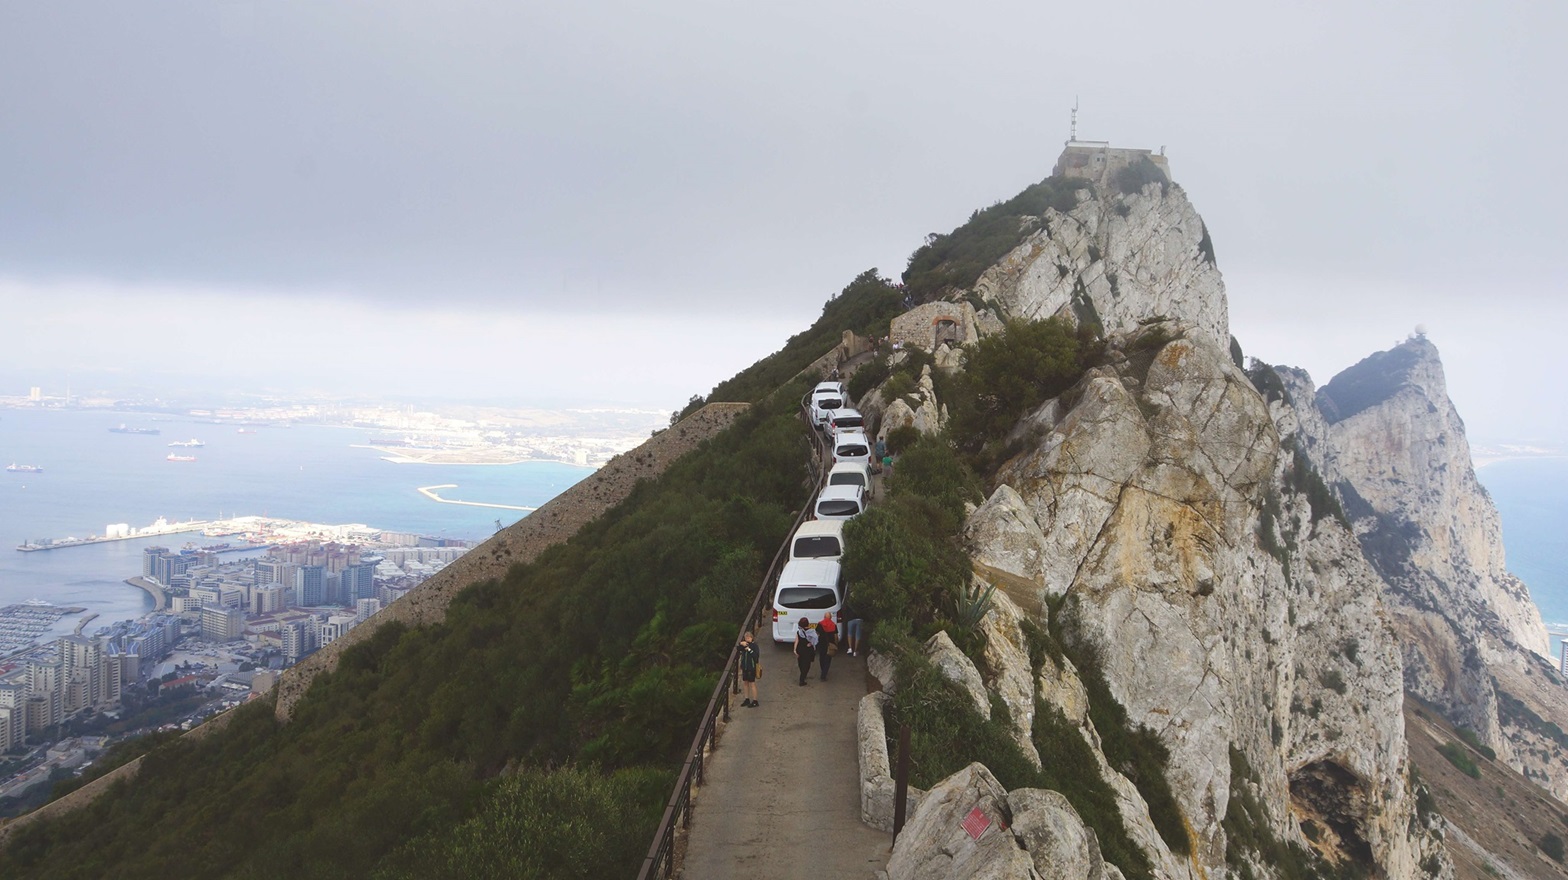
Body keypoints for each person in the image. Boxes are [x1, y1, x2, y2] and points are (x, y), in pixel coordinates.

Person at [738, 630, 761, 708]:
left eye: (748, 637)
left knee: (752, 684)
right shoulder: (744, 645)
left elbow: (756, 656)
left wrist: (748, 649)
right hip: (745, 667)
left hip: (752, 667)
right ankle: (746, 698)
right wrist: (741, 644)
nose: (747, 639)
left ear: (751, 638)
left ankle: (755, 700)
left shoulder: (754, 646)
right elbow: (738, 648)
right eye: (746, 638)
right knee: (745, 683)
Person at [794, 617, 817, 686]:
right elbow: (815, 640)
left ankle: (802, 674)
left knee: (800, 663)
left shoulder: (799, 632)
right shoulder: (812, 632)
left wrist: (795, 649)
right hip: (807, 650)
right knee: (807, 665)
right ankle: (802, 679)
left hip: (800, 649)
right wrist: (811, 644)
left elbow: (796, 640)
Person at [816, 613, 838, 681]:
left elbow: (817, 633)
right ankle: (823, 675)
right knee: (828, 659)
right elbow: (836, 636)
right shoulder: (834, 625)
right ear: (831, 617)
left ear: (824, 617)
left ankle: (823, 670)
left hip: (822, 643)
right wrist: (836, 644)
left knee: (822, 657)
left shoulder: (820, 624)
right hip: (830, 644)